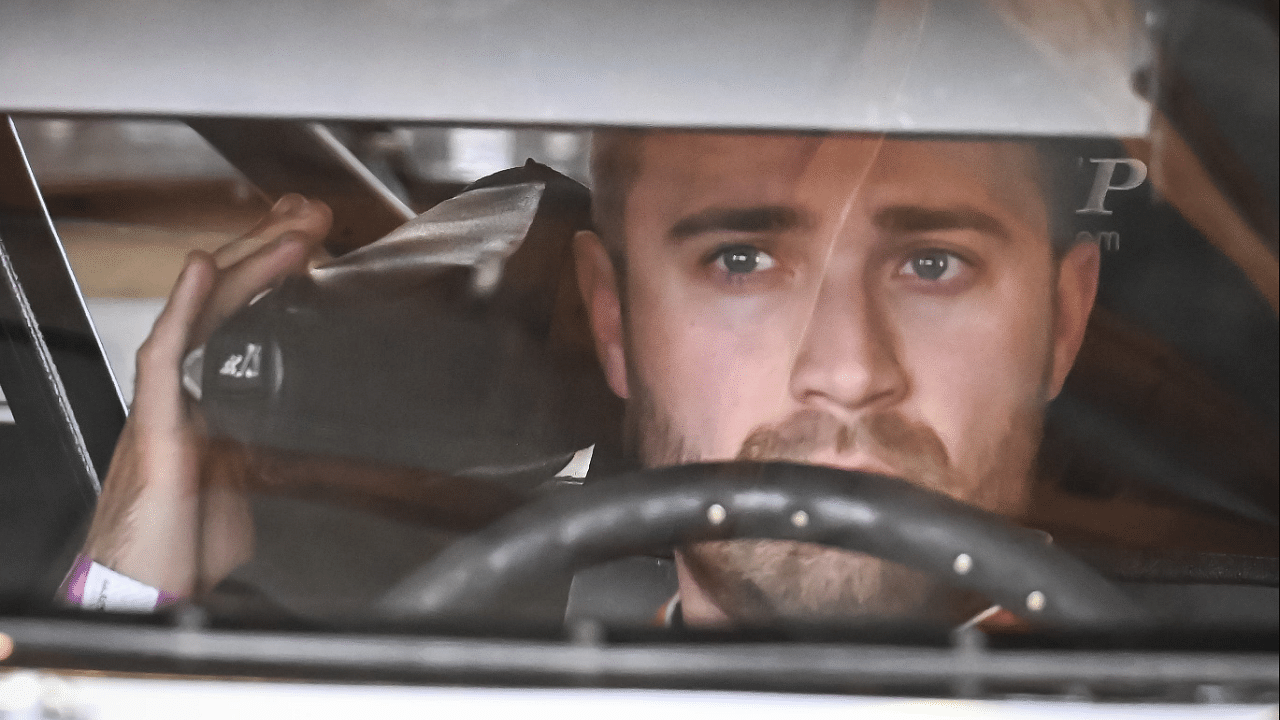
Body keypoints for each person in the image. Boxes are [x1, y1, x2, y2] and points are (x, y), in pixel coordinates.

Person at [66, 130, 1100, 625]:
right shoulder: (459, 680)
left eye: (932, 265)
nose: (844, 371)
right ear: (614, 321)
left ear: (1061, 321)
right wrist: (123, 602)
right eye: (739, 262)